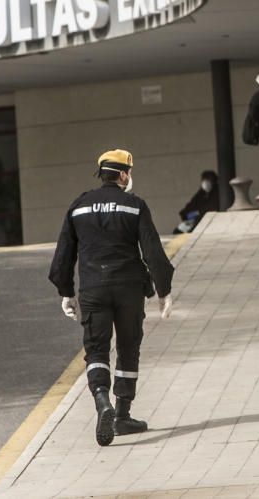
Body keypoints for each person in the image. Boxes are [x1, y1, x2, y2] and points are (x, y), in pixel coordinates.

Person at [48, 149, 175, 446]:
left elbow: (63, 253)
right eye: (128, 173)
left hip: (93, 289)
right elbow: (153, 251)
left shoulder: (78, 206)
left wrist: (66, 291)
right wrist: (163, 288)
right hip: (129, 288)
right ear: (122, 175)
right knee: (128, 348)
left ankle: (101, 399)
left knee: (96, 350)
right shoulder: (134, 205)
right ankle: (121, 415)